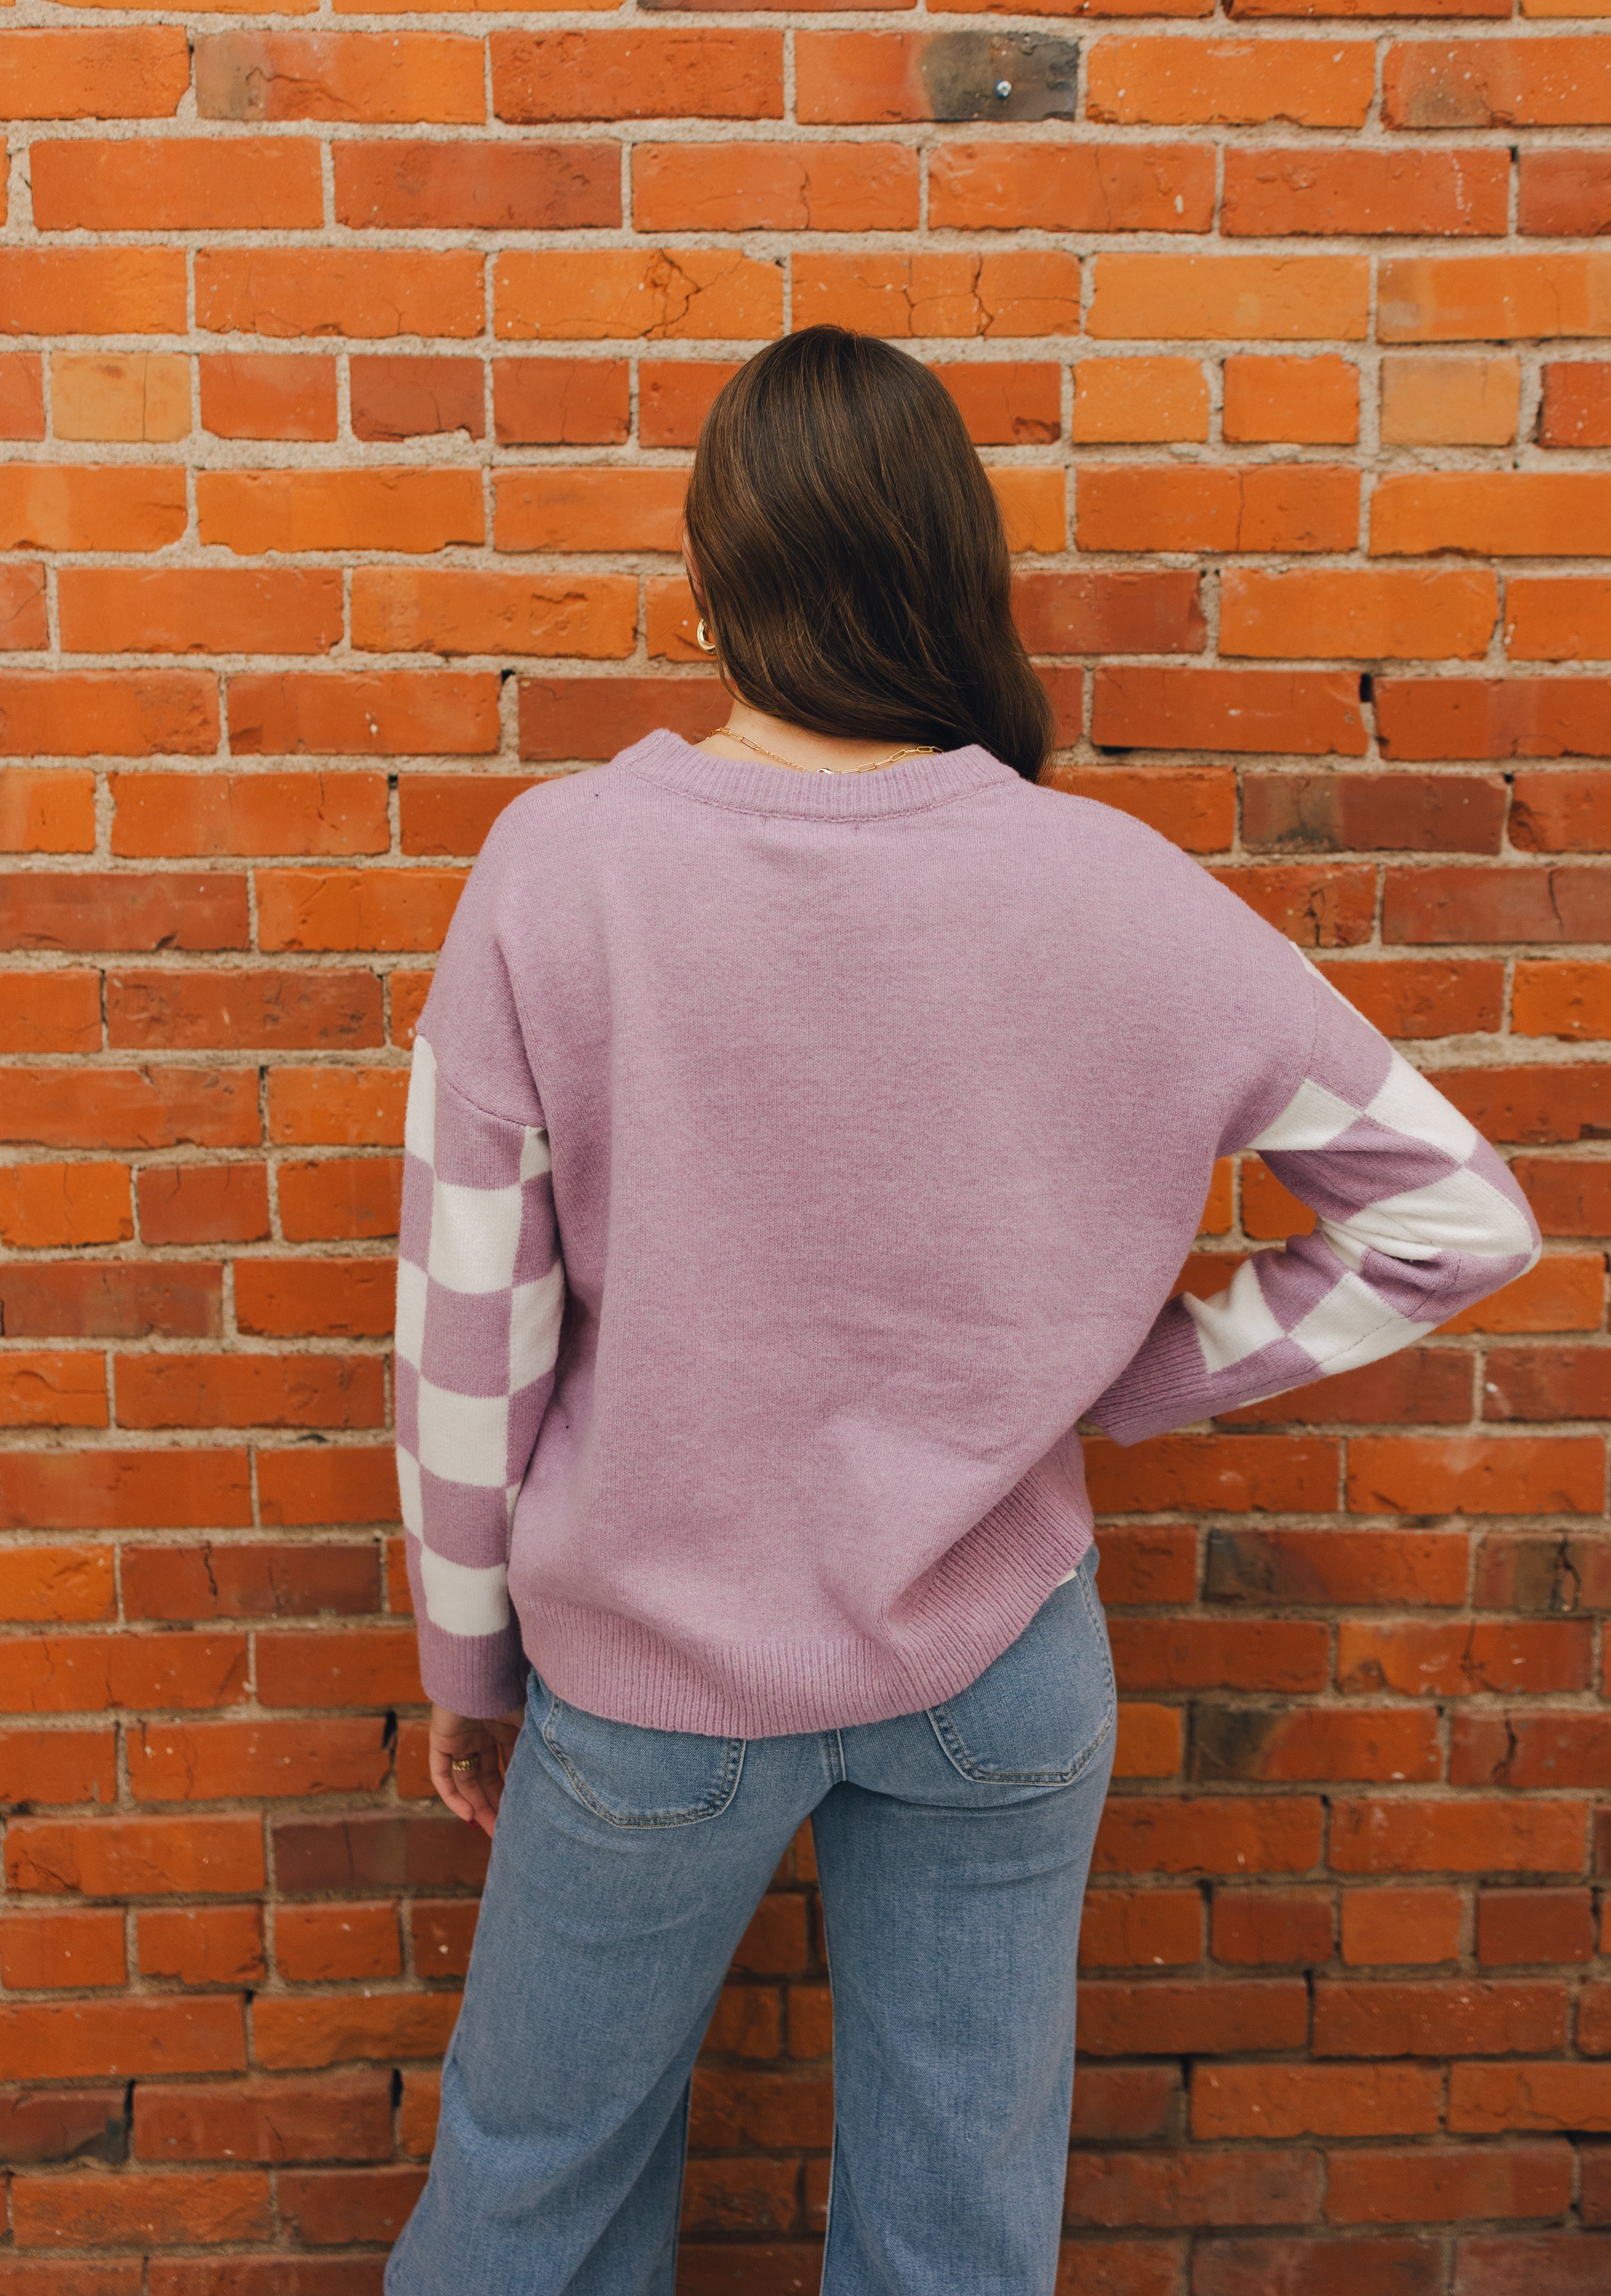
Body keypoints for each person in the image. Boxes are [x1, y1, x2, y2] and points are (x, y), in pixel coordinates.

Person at [383, 326, 1539, 2296]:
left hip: (656, 1678)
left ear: (711, 573)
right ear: (949, 567)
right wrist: (1139, 1380)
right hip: (1002, 1668)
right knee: (955, 2236)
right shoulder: (1106, 885)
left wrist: (467, 1659)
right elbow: (1445, 1211)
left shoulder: (557, 872)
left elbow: (465, 1331)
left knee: (532, 2187)